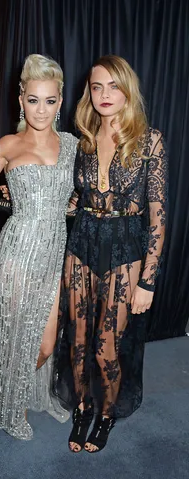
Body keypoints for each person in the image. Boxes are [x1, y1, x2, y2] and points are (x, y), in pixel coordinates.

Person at [56, 55, 168, 454]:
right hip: (82, 243)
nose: (104, 95)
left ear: (127, 91)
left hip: (124, 248)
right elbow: (76, 199)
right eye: (96, 86)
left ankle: (106, 413)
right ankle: (83, 408)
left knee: (107, 348)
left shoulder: (149, 140)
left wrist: (148, 281)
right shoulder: (83, 138)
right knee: (78, 341)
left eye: (113, 86)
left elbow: (157, 216)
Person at [0, 54, 78, 439]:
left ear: (60, 102)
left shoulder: (74, 145)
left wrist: (73, 202)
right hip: (15, 252)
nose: (40, 110)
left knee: (44, 341)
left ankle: (10, 393)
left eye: (49, 101)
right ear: (21, 99)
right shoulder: (7, 145)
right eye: (33, 100)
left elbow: (87, 190)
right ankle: (4, 402)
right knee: (11, 335)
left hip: (53, 253)